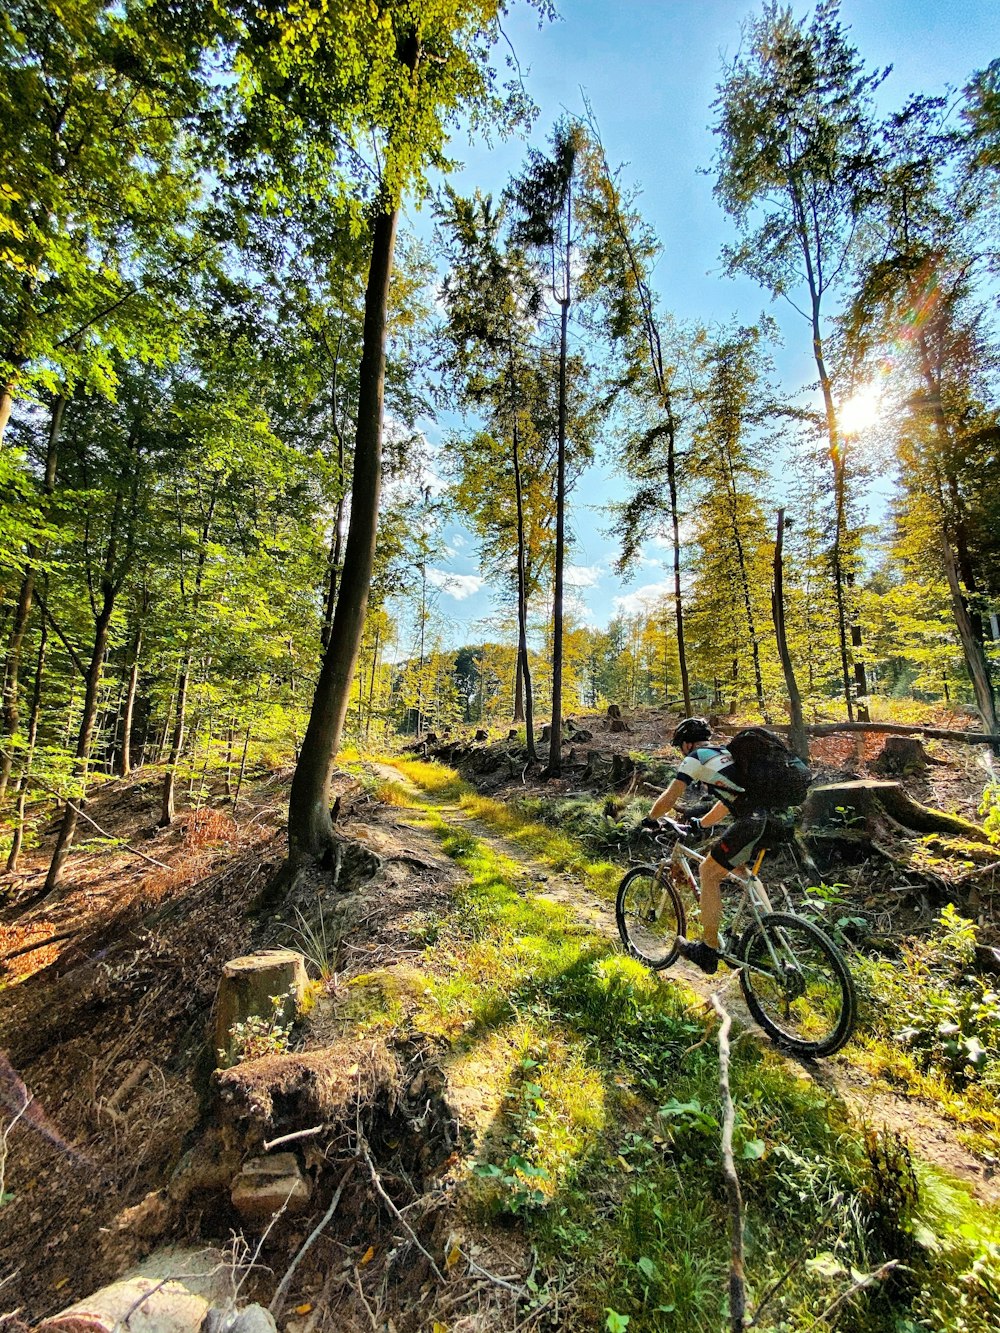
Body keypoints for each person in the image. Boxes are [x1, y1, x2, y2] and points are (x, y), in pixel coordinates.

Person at [646, 716, 768, 975]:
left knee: (707, 871)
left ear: (687, 744)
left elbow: (671, 795)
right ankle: (771, 932)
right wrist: (701, 823)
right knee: (742, 871)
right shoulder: (726, 753)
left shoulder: (697, 756)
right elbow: (727, 801)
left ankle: (708, 949)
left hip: (753, 820)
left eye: (680, 746)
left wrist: (651, 818)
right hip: (774, 818)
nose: (681, 751)